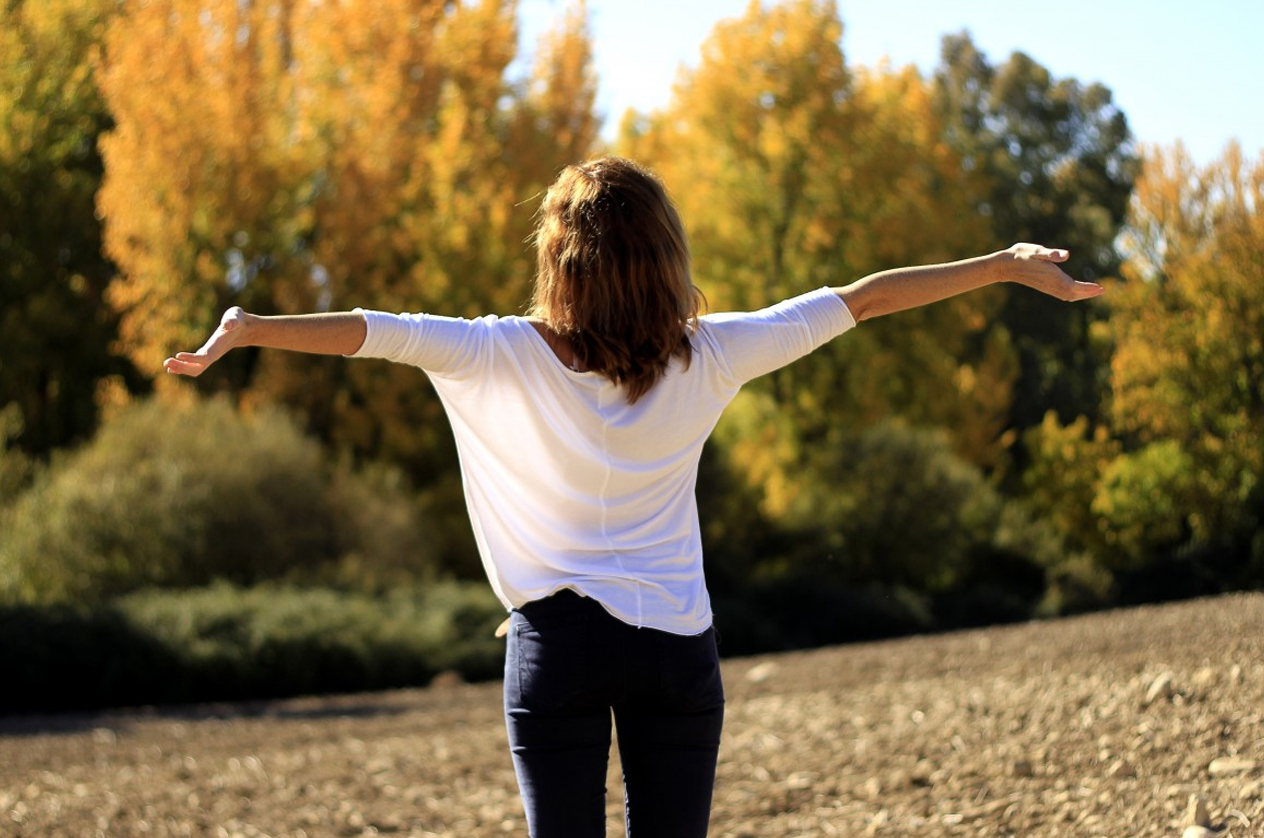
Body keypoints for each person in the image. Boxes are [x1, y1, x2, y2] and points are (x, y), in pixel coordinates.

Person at [164, 156, 1103, 837]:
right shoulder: (714, 353)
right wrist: (1002, 264)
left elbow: (370, 331)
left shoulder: (494, 352)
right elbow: (860, 300)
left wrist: (248, 331)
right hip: (676, 649)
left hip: (556, 650)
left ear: (558, 261)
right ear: (665, 257)